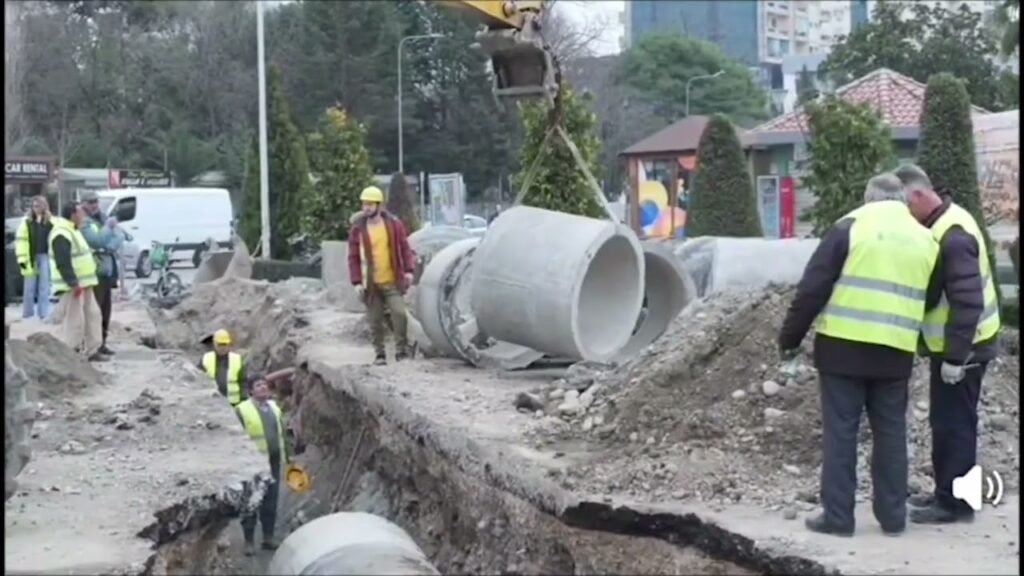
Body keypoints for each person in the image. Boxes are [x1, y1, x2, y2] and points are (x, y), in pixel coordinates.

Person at [778, 173, 939, 537]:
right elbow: (929, 297)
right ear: (901, 200)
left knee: (842, 434)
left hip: (842, 351)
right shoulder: (926, 238)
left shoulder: (851, 226)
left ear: (869, 198)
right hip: (895, 351)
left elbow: (813, 288)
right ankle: (893, 516)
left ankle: (838, 517)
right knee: (891, 433)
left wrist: (790, 337)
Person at [895, 163, 1001, 525]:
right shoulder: (944, 224)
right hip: (960, 346)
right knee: (951, 423)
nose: (905, 215)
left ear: (921, 195)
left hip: (965, 350)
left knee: (955, 426)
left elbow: (967, 301)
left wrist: (955, 357)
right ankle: (949, 495)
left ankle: (955, 505)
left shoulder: (952, 236)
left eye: (906, 205)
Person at [347, 185, 416, 365]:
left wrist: (408, 271)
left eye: (370, 204)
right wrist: (356, 282)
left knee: (400, 314)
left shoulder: (393, 225)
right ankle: (380, 354)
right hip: (370, 284)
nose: (366, 208)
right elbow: (353, 257)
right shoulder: (358, 229)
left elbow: (405, 248)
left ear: (379, 205)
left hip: (392, 281)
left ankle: (402, 350)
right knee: (375, 321)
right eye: (364, 204)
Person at [234, 373, 290, 556]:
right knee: (250, 502)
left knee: (271, 501)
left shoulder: (274, 407)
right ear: (250, 390)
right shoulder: (242, 410)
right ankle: (249, 541)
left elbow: (282, 434)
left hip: (272, 463)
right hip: (251, 465)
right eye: (258, 385)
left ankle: (268, 538)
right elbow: (235, 439)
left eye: (265, 385)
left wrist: (288, 457)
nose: (263, 388)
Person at [49, 201, 106, 362]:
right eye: (81, 212)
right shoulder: (62, 233)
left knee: (92, 315)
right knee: (75, 319)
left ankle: (92, 349)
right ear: (73, 214)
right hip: (73, 285)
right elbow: (63, 261)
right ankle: (71, 352)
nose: (83, 216)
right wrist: (73, 283)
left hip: (85, 283)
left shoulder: (73, 230)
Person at [78, 190, 123, 355]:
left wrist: (109, 245)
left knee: (105, 310)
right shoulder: (84, 222)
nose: (94, 205)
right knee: (93, 312)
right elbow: (96, 242)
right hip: (94, 270)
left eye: (95, 202)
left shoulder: (103, 218)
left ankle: (102, 343)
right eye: (90, 202)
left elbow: (120, 236)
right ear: (83, 204)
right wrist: (108, 230)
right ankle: (92, 345)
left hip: (107, 269)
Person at [15, 196, 54, 320]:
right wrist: (21, 259)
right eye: (34, 206)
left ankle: (43, 313)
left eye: (38, 205)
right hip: (30, 256)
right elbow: (21, 241)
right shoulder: (27, 221)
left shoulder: (50, 221)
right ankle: (28, 313)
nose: (36, 208)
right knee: (29, 286)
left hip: (45, 256)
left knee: (44, 286)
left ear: (44, 206)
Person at [198, 329, 247, 407]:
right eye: (220, 344)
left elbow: (243, 382)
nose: (222, 347)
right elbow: (198, 380)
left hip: (234, 403)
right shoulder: (206, 359)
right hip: (213, 403)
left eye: (225, 344)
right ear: (214, 344)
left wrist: (244, 400)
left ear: (229, 345)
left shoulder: (237, 359)